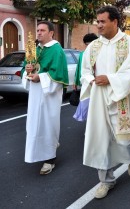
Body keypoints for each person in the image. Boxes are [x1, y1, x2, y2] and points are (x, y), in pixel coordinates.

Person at [80, 6, 130, 199]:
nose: (98, 25)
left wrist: (111, 79)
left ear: (115, 22)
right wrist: (92, 80)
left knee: (125, 138)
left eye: (102, 21)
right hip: (99, 96)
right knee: (101, 139)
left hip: (120, 96)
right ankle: (106, 181)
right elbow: (85, 70)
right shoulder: (94, 46)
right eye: (97, 21)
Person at [22, 21, 69, 175]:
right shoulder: (36, 50)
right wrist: (27, 70)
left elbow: (59, 74)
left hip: (49, 95)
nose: (39, 33)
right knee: (34, 125)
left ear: (51, 33)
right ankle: (38, 151)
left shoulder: (57, 50)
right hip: (35, 94)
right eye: (38, 30)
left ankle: (50, 159)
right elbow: (26, 66)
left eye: (42, 30)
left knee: (48, 125)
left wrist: (40, 78)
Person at [73, 33, 98, 121]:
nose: (88, 47)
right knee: (87, 105)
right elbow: (79, 68)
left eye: (90, 44)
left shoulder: (99, 53)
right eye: (87, 45)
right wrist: (75, 82)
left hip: (97, 82)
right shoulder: (82, 54)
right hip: (86, 83)